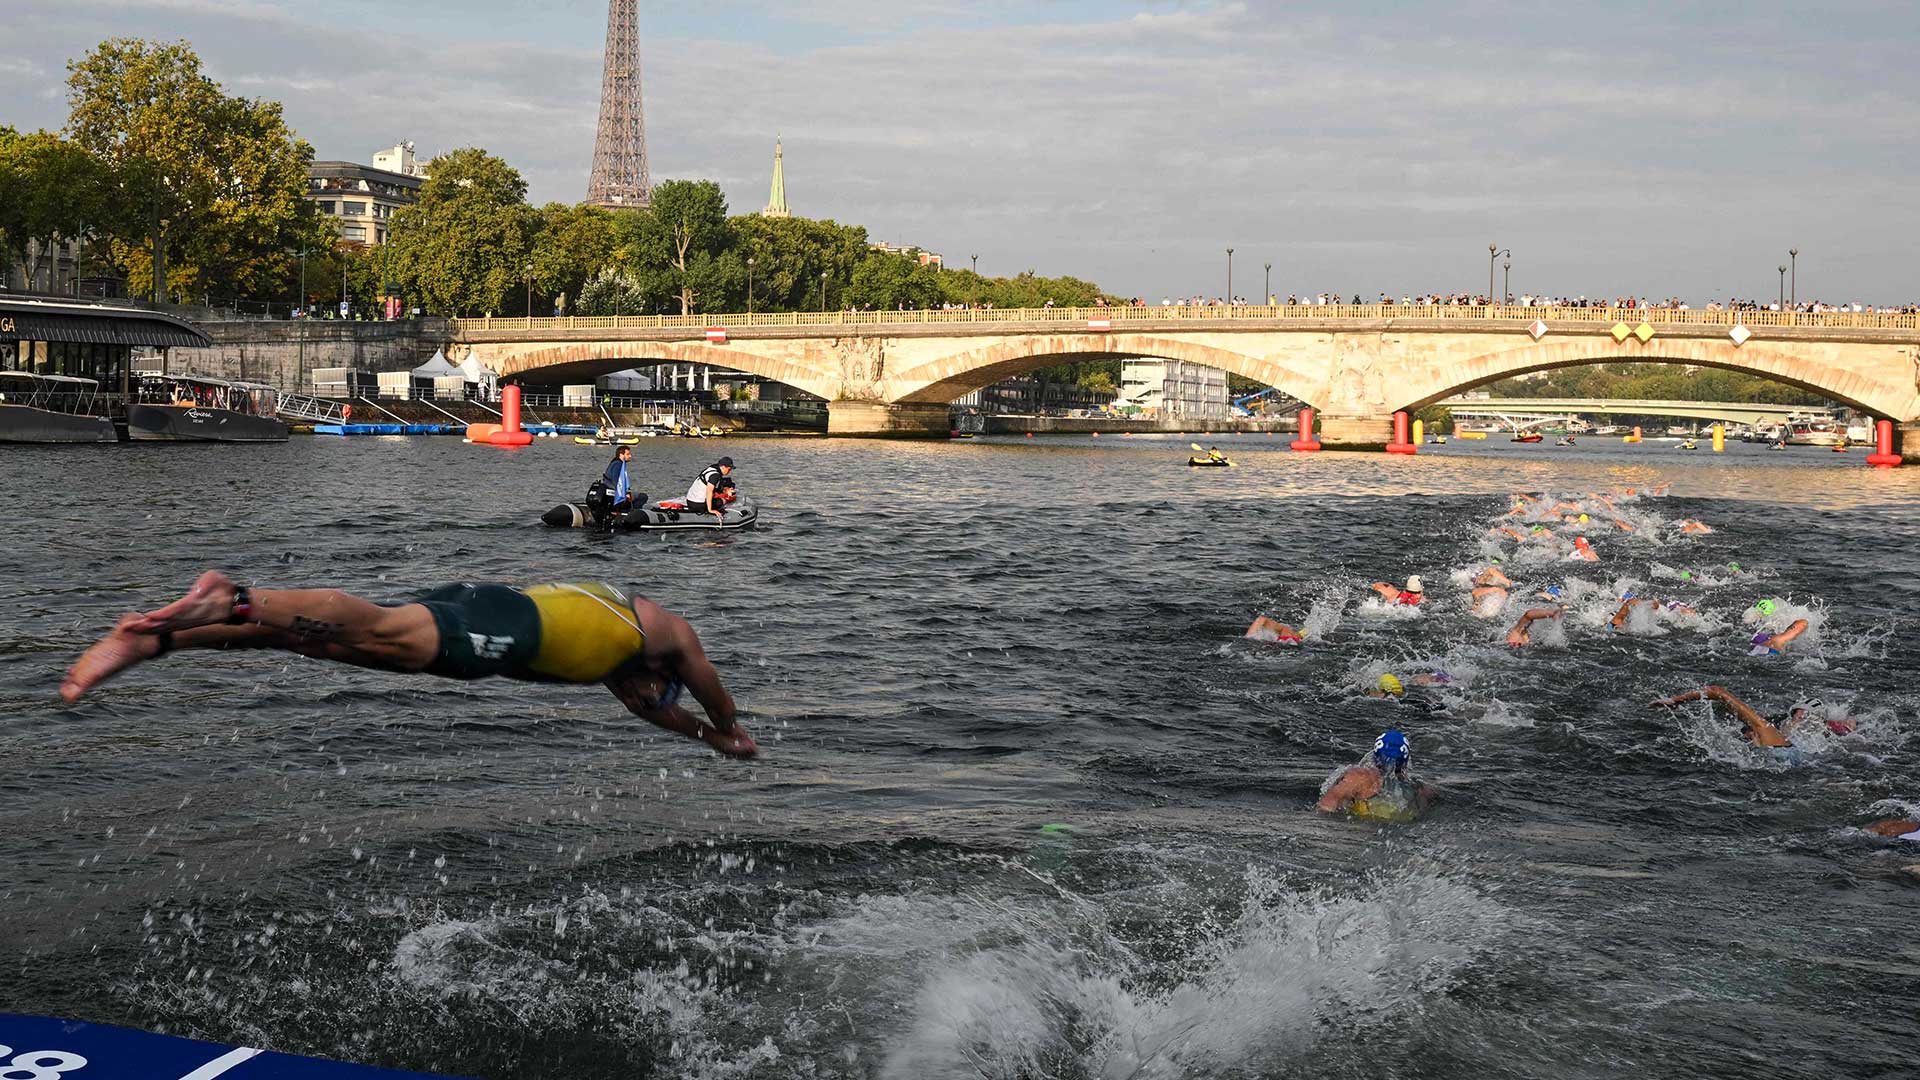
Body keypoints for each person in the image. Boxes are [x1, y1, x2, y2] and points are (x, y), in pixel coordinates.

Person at [60, 570, 757, 758]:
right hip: (503, 622)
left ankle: (154, 643)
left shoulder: (620, 666)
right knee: (379, 629)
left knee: (318, 641)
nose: (642, 707)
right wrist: (728, 727)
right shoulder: (660, 633)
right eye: (648, 700)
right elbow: (705, 687)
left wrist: (705, 740)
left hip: (488, 619)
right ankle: (232, 596)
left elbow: (669, 716)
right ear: (655, 677)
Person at [1649, 685, 1855, 750]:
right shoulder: (1820, 746)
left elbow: (1717, 692)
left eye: (1800, 718)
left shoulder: (1774, 736)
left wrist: (1676, 700)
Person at [1316, 729, 1435, 822]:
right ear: (1405, 760)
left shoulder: (1359, 777)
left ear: (1375, 755)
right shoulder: (1420, 790)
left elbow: (1325, 807)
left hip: (1361, 832)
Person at [685, 456, 735, 522]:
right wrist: (710, 510)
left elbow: (711, 488)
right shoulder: (715, 475)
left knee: (716, 495)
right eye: (729, 469)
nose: (729, 471)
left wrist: (724, 490)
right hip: (698, 504)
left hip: (689, 501)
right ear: (723, 467)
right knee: (723, 500)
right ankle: (707, 509)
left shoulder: (711, 468)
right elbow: (709, 492)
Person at [601, 446, 637, 512]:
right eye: (628, 454)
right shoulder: (618, 464)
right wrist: (626, 494)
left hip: (611, 489)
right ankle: (633, 513)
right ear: (621, 455)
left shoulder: (617, 462)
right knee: (642, 496)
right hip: (615, 491)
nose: (630, 456)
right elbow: (616, 482)